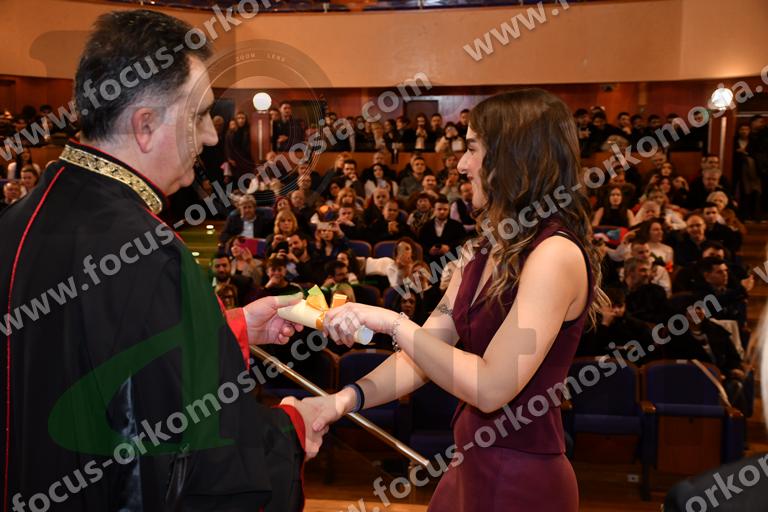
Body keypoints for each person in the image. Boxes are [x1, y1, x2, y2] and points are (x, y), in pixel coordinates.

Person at [0, 11, 324, 511]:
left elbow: (74, 357)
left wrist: (227, 328)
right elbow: (188, 457)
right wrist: (291, 428)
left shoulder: (18, 219)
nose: (211, 137)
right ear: (146, 125)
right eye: (199, 116)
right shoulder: (146, 254)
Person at [303, 89, 608, 512]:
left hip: (520, 479)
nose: (461, 165)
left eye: (472, 149)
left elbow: (491, 386)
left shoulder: (554, 255)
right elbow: (424, 352)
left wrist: (393, 323)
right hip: (469, 465)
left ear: (514, 157)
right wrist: (342, 400)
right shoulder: (480, 251)